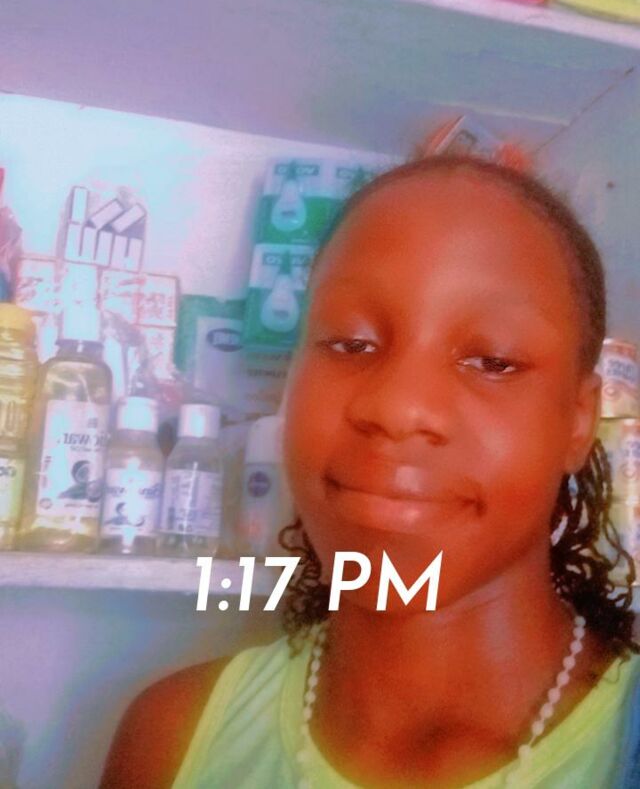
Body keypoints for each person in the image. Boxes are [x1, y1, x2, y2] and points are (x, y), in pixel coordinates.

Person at [100, 155, 640, 789]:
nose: (397, 407)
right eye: (349, 342)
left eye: (493, 360)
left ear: (578, 420)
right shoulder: (171, 738)